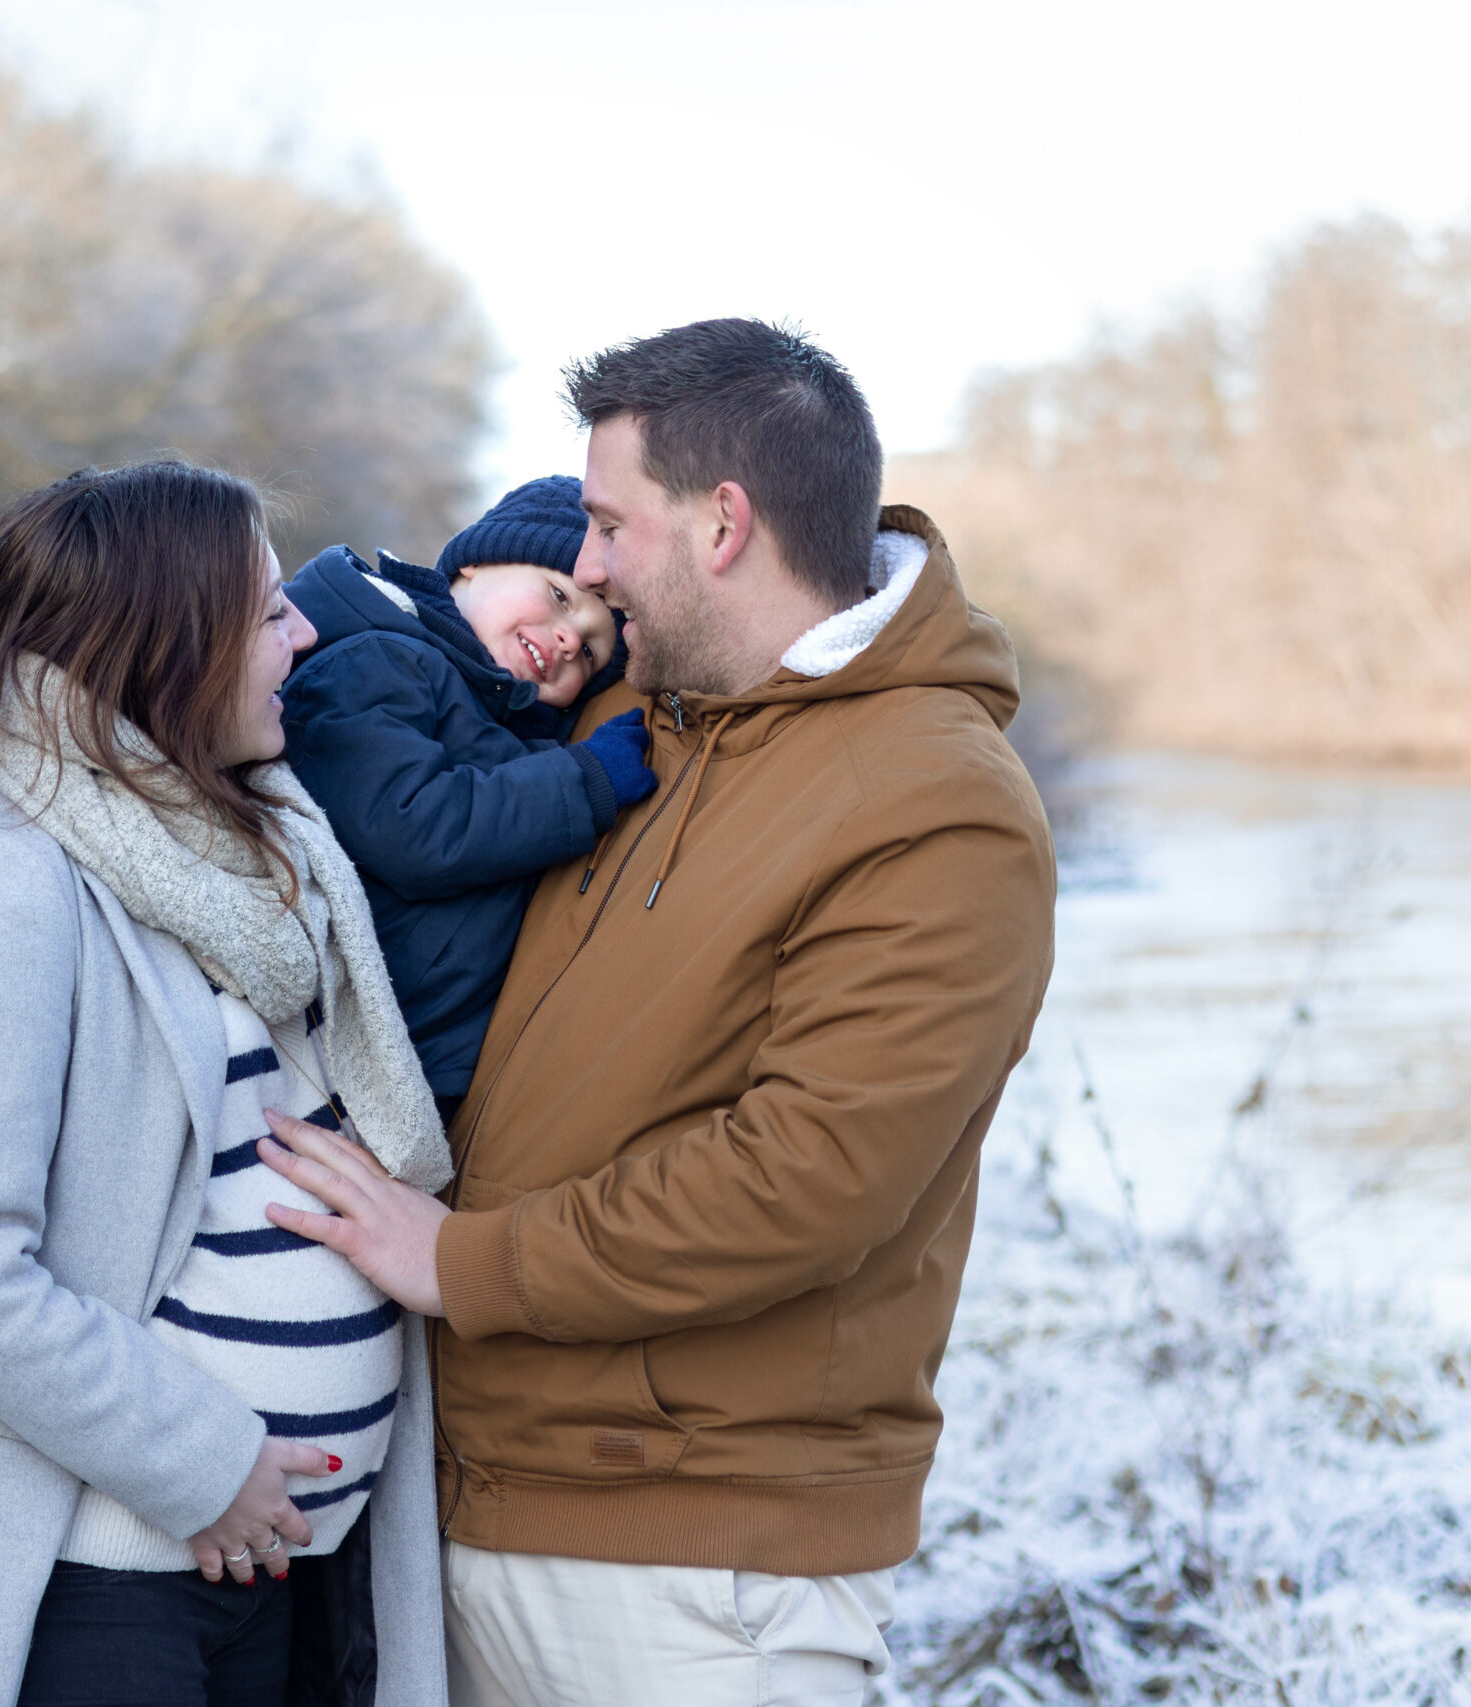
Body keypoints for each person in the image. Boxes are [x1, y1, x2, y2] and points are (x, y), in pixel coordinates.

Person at [251, 320, 1060, 1706]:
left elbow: (805, 1180)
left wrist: (464, 1263)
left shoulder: (944, 805)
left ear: (724, 523)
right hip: (462, 1508)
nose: (586, 562)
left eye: (614, 523)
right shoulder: (632, 703)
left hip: (697, 1574)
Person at [0, 460, 454, 1707]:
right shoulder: (2, 883)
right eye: (270, 609)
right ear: (165, 641)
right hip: (101, 1584)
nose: (302, 635)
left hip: (290, 1574)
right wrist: (200, 1462)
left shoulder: (274, 855)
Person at [279, 475, 655, 1120]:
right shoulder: (375, 660)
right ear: (475, 563)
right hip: (345, 1052)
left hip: (429, 1062)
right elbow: (410, 825)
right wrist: (582, 780)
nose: (569, 640)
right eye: (560, 596)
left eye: (593, 652)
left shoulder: (499, 714)